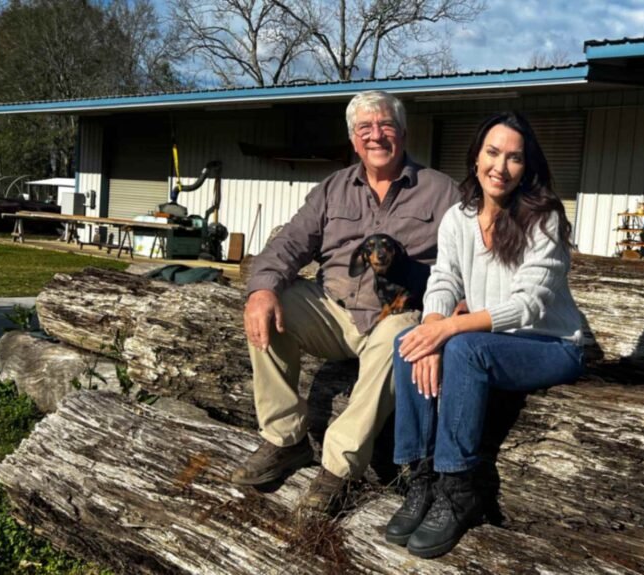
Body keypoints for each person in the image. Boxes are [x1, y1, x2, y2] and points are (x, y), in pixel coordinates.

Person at [234, 90, 461, 517]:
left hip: (399, 313)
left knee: (402, 335)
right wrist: (261, 289)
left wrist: (460, 308)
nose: (377, 136)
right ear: (354, 141)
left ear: (404, 134)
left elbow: (470, 254)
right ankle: (286, 440)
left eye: (386, 126)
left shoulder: (441, 192)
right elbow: (288, 244)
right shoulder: (332, 189)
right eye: (365, 129)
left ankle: (337, 469)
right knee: (269, 304)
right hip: (332, 310)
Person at [385, 112, 585, 558]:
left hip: (551, 345)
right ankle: (421, 479)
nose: (501, 166)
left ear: (526, 167)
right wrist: (434, 326)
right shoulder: (459, 216)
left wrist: (451, 328)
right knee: (409, 344)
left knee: (464, 348)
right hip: (491, 340)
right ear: (476, 157)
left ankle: (459, 489)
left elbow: (528, 305)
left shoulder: (544, 217)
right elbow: (443, 280)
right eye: (493, 153)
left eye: (514, 158)